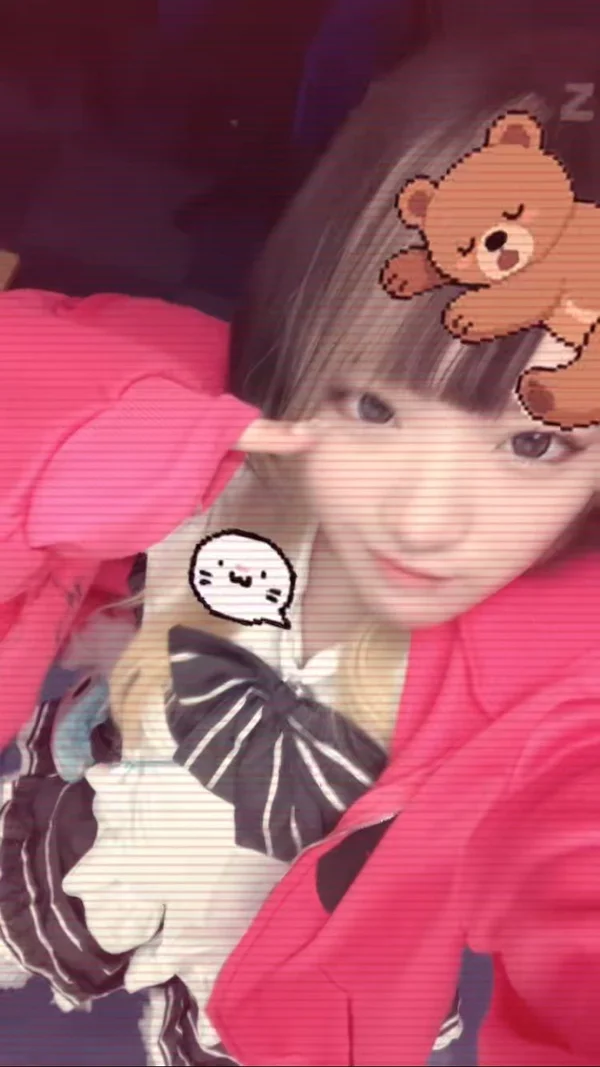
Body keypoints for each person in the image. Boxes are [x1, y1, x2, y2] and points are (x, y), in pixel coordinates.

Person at [1, 24, 600, 1067]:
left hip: (276, 994)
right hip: (86, 828)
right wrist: (131, 449)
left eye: (535, 442)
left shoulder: (560, 679)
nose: (423, 518)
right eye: (374, 406)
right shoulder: (209, 445)